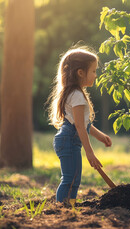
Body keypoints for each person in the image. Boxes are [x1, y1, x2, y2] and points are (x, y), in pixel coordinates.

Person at [47, 46, 112, 205]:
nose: (96, 76)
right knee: (70, 179)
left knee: (74, 179)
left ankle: (69, 206)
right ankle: (62, 208)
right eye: (94, 71)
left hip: (68, 141)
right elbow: (80, 128)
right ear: (80, 73)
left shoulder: (75, 93)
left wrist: (100, 136)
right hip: (69, 140)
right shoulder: (76, 95)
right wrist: (90, 153)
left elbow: (84, 124)